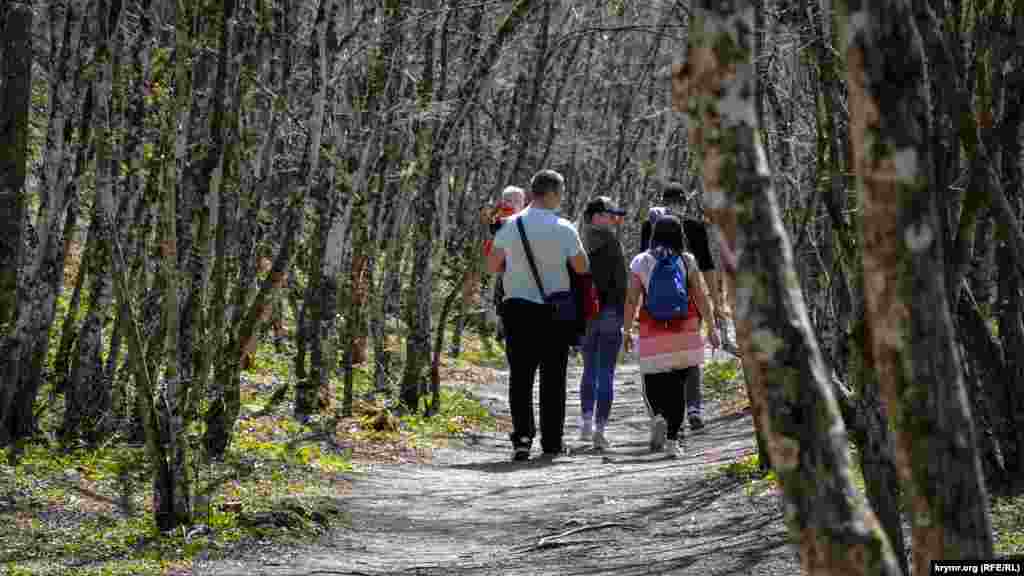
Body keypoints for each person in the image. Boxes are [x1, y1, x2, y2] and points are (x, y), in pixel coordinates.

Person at [487, 169, 589, 461]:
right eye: (562, 192)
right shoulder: (565, 228)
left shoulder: (510, 226)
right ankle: (552, 442)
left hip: (517, 309)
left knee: (520, 376)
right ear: (554, 194)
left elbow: (493, 266)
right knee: (553, 377)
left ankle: (521, 438)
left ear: (532, 193)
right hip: (554, 312)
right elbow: (582, 268)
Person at [624, 214, 719, 457]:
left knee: (654, 382)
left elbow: (632, 298)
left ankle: (658, 415)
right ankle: (672, 442)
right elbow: (700, 296)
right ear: (680, 236)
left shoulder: (641, 261)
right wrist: (711, 326)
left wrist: (626, 329)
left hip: (652, 331)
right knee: (678, 387)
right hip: (685, 331)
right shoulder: (687, 260)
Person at [578, 196, 628, 451]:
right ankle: (600, 429)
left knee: (589, 369)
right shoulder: (611, 243)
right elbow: (621, 284)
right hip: (609, 314)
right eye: (610, 215)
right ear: (597, 216)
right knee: (606, 372)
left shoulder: (577, 240)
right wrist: (625, 317)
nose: (614, 220)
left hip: (586, 316)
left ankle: (586, 424)